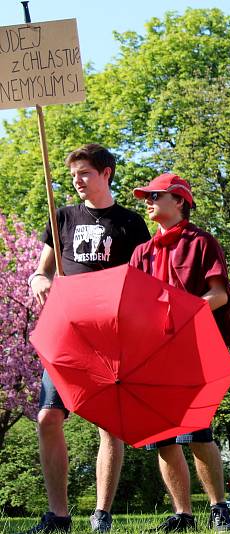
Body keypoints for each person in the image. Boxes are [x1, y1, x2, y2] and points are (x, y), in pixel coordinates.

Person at [24, 144, 151, 534]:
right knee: (48, 417)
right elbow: (40, 272)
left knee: (108, 425)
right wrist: (39, 280)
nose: (77, 181)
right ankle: (58, 516)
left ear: (106, 174)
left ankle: (102, 513)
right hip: (67, 332)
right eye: (74, 175)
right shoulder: (61, 217)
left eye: (85, 174)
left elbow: (144, 280)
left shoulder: (130, 224)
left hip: (111, 335)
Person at [128, 173, 230, 532]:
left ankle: (220, 509)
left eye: (155, 195)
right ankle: (183, 514)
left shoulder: (203, 243)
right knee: (162, 438)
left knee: (197, 433)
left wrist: (181, 313)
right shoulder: (141, 253)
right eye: (147, 196)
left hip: (196, 351)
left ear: (179, 201)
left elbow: (218, 294)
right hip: (154, 355)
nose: (148, 201)